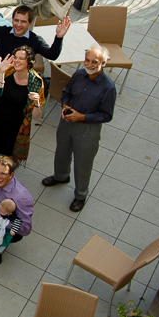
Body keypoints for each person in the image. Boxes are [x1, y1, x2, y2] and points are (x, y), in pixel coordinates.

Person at [41, 46, 117, 212]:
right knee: (61, 151)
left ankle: (81, 195)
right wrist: (65, 104)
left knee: (83, 163)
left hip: (87, 129)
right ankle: (61, 176)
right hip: (67, 122)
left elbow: (106, 115)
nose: (89, 64)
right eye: (87, 60)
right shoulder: (78, 74)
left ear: (103, 63)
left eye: (94, 62)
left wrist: (82, 117)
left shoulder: (108, 87)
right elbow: (66, 92)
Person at [0, 46, 46, 171]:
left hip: (15, 125)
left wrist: (37, 102)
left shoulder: (36, 82)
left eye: (21, 58)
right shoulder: (6, 71)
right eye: (15, 57)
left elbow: (36, 115)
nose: (16, 61)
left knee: (7, 153)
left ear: (29, 62)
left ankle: (0, 176)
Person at [0, 0, 71, 61]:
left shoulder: (35, 40)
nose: (18, 25)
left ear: (29, 23)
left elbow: (52, 55)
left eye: (23, 21)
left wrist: (59, 37)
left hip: (20, 80)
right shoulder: (3, 32)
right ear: (12, 20)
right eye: (16, 20)